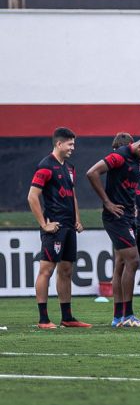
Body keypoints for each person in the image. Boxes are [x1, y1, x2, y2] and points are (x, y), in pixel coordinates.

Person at [86, 133, 140, 327]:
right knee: (133, 260)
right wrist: (107, 202)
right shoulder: (119, 156)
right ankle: (127, 315)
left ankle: (118, 316)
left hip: (129, 217)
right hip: (116, 217)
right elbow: (92, 173)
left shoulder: (137, 162)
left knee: (121, 264)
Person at [27, 127, 91, 329]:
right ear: (59, 144)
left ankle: (67, 317)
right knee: (46, 269)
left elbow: (73, 196)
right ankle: (43, 319)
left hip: (69, 227)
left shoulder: (70, 168)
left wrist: (77, 219)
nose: (73, 147)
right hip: (54, 227)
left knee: (66, 270)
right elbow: (32, 196)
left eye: (74, 143)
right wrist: (44, 224)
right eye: (70, 144)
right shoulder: (45, 166)